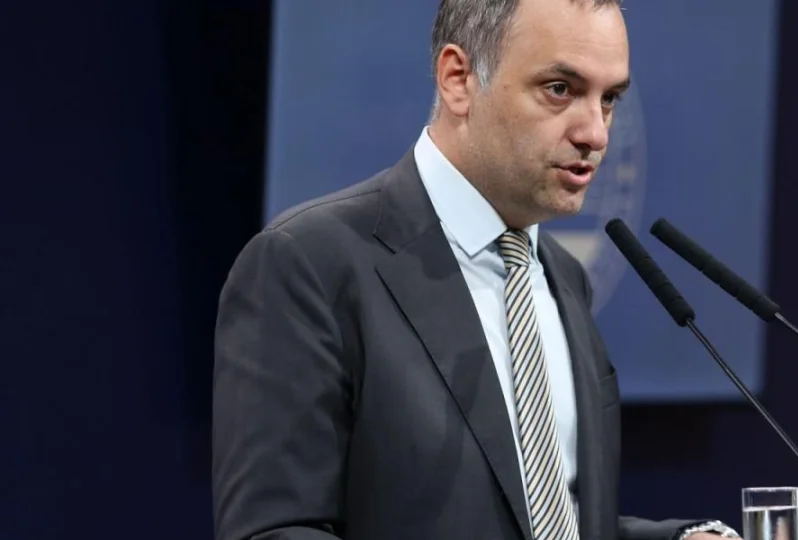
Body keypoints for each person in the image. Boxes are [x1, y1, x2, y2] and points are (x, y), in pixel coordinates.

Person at [211, 0, 742, 539]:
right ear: (458, 80)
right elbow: (275, 531)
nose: (596, 134)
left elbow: (548, 520)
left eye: (608, 99)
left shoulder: (562, 277)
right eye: (560, 89)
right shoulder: (308, 264)